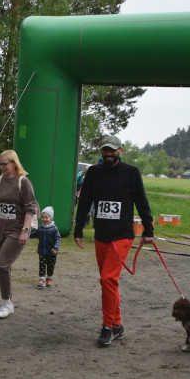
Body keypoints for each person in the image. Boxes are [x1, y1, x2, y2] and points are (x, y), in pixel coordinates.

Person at [73, 135, 154, 346]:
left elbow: (142, 202)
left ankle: (107, 326)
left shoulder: (131, 173)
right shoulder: (94, 173)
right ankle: (118, 325)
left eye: (112, 150)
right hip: (101, 234)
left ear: (121, 150)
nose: (108, 154)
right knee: (110, 282)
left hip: (122, 235)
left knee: (107, 279)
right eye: (105, 151)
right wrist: (78, 229)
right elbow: (85, 202)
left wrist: (149, 229)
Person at [0, 150, 39, 319]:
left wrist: (25, 231)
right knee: (4, 266)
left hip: (17, 230)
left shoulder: (23, 182)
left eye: (5, 164)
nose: (2, 167)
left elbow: (30, 208)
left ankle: (6, 302)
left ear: (14, 164)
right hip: (0, 230)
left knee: (1, 265)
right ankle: (7, 301)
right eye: (0, 164)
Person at [36, 206, 60, 289]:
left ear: (51, 218)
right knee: (42, 265)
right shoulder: (40, 228)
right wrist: (27, 235)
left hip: (52, 252)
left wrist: (56, 248)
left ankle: (49, 277)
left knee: (51, 265)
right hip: (42, 251)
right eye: (42, 217)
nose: (44, 219)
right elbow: (36, 234)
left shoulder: (54, 229)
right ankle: (42, 279)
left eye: (46, 217)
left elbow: (58, 239)